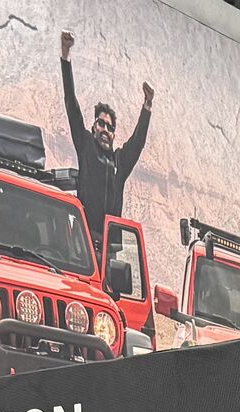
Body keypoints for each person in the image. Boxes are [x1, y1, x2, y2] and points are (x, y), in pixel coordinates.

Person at [60, 31, 152, 261]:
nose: (105, 129)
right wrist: (65, 55)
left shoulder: (120, 162)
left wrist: (147, 105)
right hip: (83, 243)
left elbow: (137, 142)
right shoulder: (86, 146)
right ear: (94, 127)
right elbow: (72, 106)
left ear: (113, 134)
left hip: (110, 250)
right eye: (101, 124)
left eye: (110, 127)